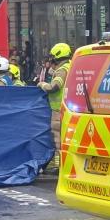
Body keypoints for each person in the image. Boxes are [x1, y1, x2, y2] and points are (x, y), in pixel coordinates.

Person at [35, 42, 72, 172]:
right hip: (67, 108)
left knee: (58, 140)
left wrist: (42, 84)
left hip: (58, 110)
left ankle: (59, 166)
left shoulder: (62, 70)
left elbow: (54, 87)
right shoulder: (70, 66)